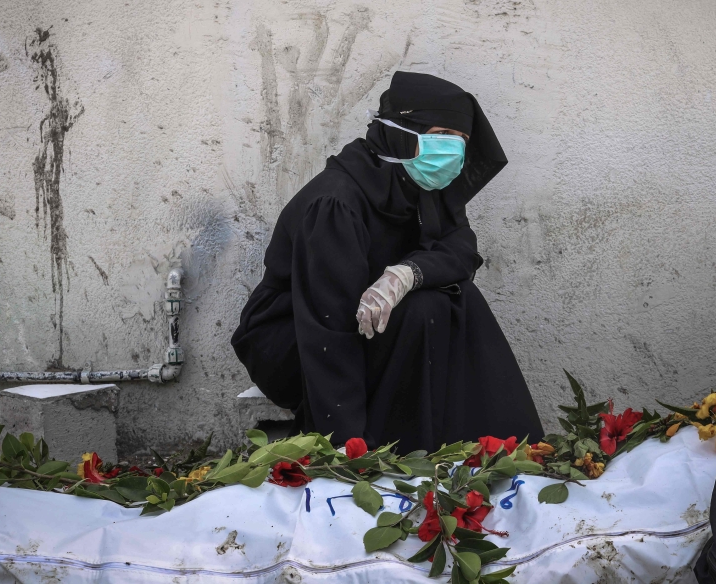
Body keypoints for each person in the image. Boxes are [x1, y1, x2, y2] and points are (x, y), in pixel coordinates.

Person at [232, 71, 543, 453]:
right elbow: (326, 325)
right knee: (419, 312)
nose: (454, 149)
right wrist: (346, 447)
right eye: (443, 134)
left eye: (461, 140)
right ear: (398, 131)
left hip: (363, 326)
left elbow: (461, 250)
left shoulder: (419, 182)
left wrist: (407, 273)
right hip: (295, 340)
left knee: (454, 298)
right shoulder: (336, 202)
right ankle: (379, 446)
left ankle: (496, 447)